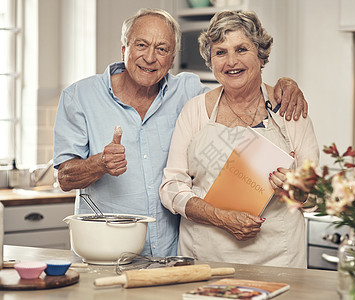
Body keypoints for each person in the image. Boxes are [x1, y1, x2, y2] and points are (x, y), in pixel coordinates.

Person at [53, 8, 309, 258]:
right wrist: (100, 163)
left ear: (172, 59)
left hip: (170, 254)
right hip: (105, 249)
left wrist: (285, 84)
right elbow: (64, 178)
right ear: (124, 50)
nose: (150, 58)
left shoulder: (187, 92)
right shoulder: (79, 97)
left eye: (162, 49)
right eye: (141, 45)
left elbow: (238, 89)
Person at [159, 10, 319, 268]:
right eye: (220, 52)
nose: (231, 61)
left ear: (261, 55)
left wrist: (297, 190)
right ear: (210, 61)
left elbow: (318, 194)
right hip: (205, 260)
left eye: (241, 49)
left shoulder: (290, 110)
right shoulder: (196, 110)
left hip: (279, 261)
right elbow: (171, 187)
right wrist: (220, 217)